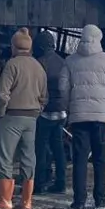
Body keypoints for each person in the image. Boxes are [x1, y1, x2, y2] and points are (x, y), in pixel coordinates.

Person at [0, 28, 47, 209]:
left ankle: (4, 202)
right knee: (29, 158)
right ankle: (26, 202)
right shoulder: (38, 66)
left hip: (11, 116)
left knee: (5, 158)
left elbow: (2, 95)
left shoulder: (12, 65)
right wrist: (37, 111)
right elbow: (44, 97)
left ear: (14, 46)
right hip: (32, 118)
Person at [61, 24, 105, 209]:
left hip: (79, 117)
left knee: (79, 158)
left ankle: (79, 201)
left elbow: (63, 88)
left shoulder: (70, 61)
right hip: (101, 117)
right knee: (100, 158)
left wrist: (71, 107)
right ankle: (100, 200)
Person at [32, 30, 68, 195]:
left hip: (45, 111)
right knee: (58, 147)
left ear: (39, 46)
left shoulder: (39, 63)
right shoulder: (63, 62)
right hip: (61, 111)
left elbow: (37, 89)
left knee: (40, 146)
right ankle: (61, 182)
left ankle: (39, 182)